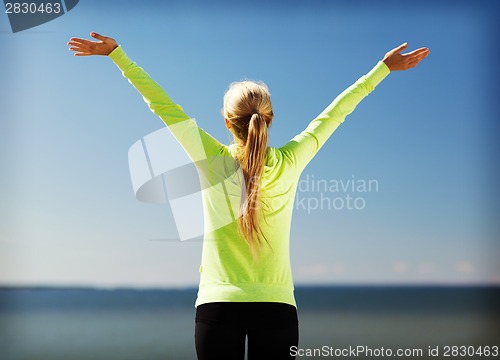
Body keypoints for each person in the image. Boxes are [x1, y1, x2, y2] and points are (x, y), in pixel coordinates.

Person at [67, 32, 429, 360]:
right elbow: (335, 114)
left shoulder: (211, 158)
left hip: (217, 308)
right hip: (277, 308)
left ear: (227, 122)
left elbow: (163, 106)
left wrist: (118, 56)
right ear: (269, 119)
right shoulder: (291, 161)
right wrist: (382, 69)